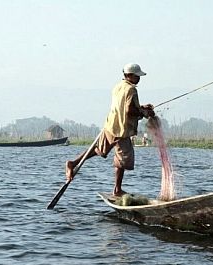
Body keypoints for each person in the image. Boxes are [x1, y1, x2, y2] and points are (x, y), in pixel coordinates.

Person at [65, 63, 155, 197]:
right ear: (129, 75)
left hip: (110, 125)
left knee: (99, 149)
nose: (139, 79)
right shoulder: (131, 90)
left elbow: (123, 106)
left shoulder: (118, 87)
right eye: (137, 76)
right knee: (122, 160)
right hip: (122, 130)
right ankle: (117, 190)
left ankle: (73, 163)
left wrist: (141, 107)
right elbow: (129, 111)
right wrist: (144, 113)